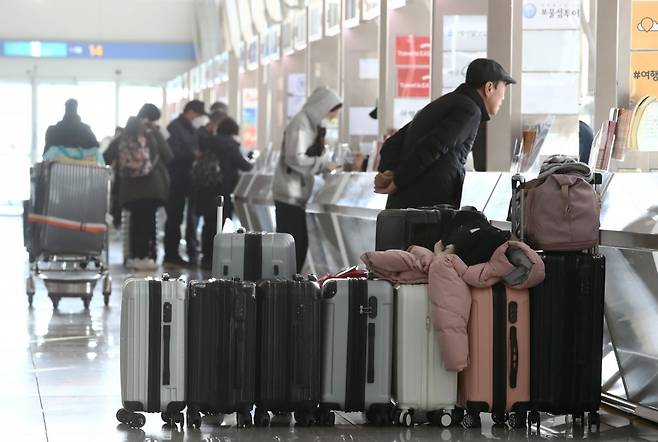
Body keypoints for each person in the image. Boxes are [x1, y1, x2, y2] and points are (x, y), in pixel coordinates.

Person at [374, 58, 516, 209]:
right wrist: (397, 181)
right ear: (489, 88)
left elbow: (392, 143)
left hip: (404, 210)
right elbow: (432, 147)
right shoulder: (470, 111)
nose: (503, 97)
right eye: (504, 88)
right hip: (425, 213)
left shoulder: (442, 104)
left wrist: (390, 172)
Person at [272, 86, 342, 272]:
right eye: (332, 112)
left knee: (297, 245)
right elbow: (295, 158)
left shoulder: (309, 125)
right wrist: (322, 164)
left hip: (296, 194)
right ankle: (285, 287)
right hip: (290, 193)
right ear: (323, 107)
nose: (332, 117)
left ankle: (288, 285)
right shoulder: (301, 124)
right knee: (294, 245)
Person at [195, 115, 254, 269]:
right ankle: (217, 257)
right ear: (233, 131)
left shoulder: (208, 142)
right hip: (222, 190)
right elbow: (244, 166)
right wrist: (252, 161)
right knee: (221, 224)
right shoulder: (230, 145)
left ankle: (206, 257)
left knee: (208, 224)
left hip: (206, 188)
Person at [117, 116, 173, 270]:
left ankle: (136, 257)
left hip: (130, 190)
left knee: (136, 224)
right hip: (150, 188)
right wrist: (156, 132)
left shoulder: (122, 139)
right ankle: (146, 257)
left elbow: (106, 156)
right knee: (148, 224)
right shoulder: (150, 137)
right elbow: (168, 155)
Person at [164, 99, 207, 266]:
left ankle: (189, 251)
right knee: (174, 216)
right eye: (198, 115)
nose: (199, 119)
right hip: (176, 179)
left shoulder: (191, 129)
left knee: (190, 217)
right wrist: (193, 155)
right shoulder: (174, 128)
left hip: (189, 179)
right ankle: (171, 254)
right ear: (190, 112)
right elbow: (172, 156)